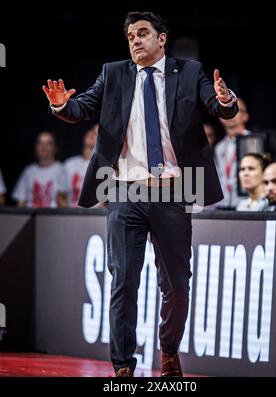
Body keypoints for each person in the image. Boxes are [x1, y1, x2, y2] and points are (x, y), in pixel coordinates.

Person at [42, 11, 238, 377]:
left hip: (175, 190)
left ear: (161, 38)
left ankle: (168, 351)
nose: (135, 40)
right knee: (123, 281)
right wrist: (61, 105)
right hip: (123, 190)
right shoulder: (113, 73)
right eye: (130, 35)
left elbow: (218, 106)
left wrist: (226, 99)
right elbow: (81, 107)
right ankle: (122, 366)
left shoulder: (190, 72)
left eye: (143, 33)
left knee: (177, 286)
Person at [12, 131, 68, 208]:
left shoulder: (62, 170)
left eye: (48, 143)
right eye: (40, 143)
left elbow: (63, 203)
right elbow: (21, 202)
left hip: (53, 217)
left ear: (55, 148)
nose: (43, 146)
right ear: (35, 147)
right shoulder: (28, 171)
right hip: (31, 217)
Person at [215, 97, 250, 209]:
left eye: (235, 110)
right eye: (225, 110)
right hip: (222, 205)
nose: (230, 114)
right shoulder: (219, 147)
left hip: (246, 205)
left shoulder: (253, 142)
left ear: (245, 116)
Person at [64, 124, 98, 207]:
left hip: (94, 216)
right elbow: (61, 195)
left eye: (97, 133)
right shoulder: (69, 164)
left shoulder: (105, 167)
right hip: (71, 214)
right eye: (92, 130)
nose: (92, 133)